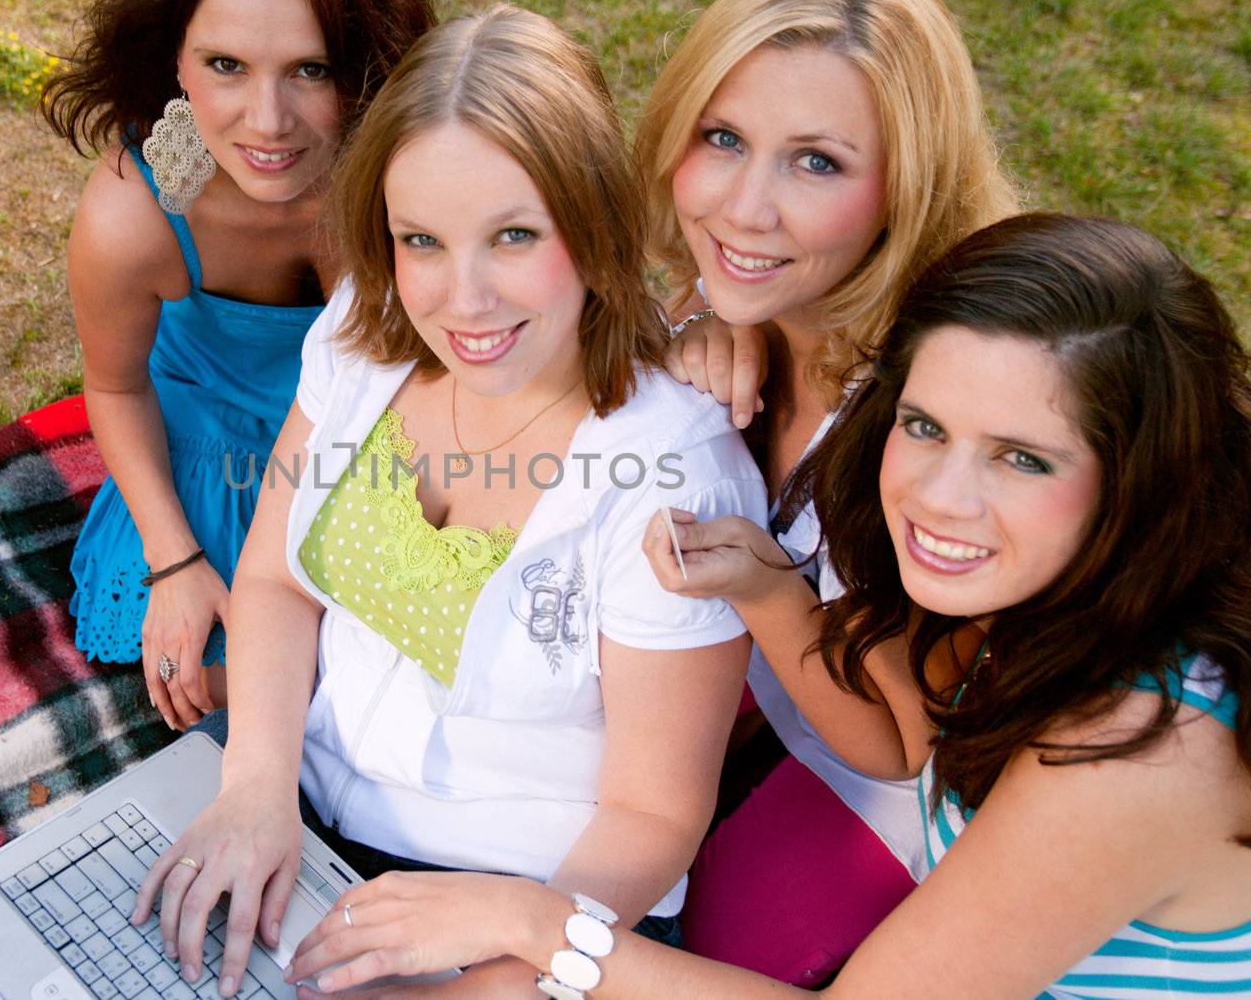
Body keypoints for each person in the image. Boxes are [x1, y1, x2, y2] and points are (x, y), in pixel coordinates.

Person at [285, 212, 1251, 1000]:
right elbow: (908, 744)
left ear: (1142, 476)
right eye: (925, 425)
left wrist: (526, 921)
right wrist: (770, 589)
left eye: (1023, 456)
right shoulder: (1040, 593)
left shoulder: (1140, 745)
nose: (940, 497)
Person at [130, 6, 768, 999]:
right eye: (421, 240)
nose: (461, 301)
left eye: (513, 236)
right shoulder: (360, 332)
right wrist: (255, 783)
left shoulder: (673, 470)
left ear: (593, 228)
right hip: (302, 825)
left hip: (528, 909)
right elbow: (272, 578)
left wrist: (488, 987)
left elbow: (651, 816)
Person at [636, 0, 1018, 981]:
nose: (743, 208)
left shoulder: (933, 412)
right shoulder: (739, 302)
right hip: (772, 689)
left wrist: (766, 588)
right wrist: (706, 329)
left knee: (715, 946)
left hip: (909, 778)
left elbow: (902, 745)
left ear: (906, 183)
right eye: (721, 138)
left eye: (817, 162)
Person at [41, 0, 435, 731]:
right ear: (173, 59)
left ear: (365, 66)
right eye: (226, 65)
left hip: (367, 455)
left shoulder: (404, 171)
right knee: (224, 682)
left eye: (311, 69)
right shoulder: (137, 210)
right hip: (204, 484)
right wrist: (174, 559)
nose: (269, 121)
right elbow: (116, 385)